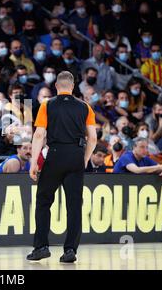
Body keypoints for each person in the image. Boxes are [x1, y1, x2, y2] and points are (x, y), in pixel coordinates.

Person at [27, 71, 97, 263]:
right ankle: (70, 251)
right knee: (74, 206)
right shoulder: (85, 107)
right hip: (76, 155)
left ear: (56, 86)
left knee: (43, 201)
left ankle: (41, 247)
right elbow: (93, 138)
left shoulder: (47, 105)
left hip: (55, 155)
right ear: (73, 87)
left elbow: (40, 135)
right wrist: (84, 159)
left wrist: (34, 161)